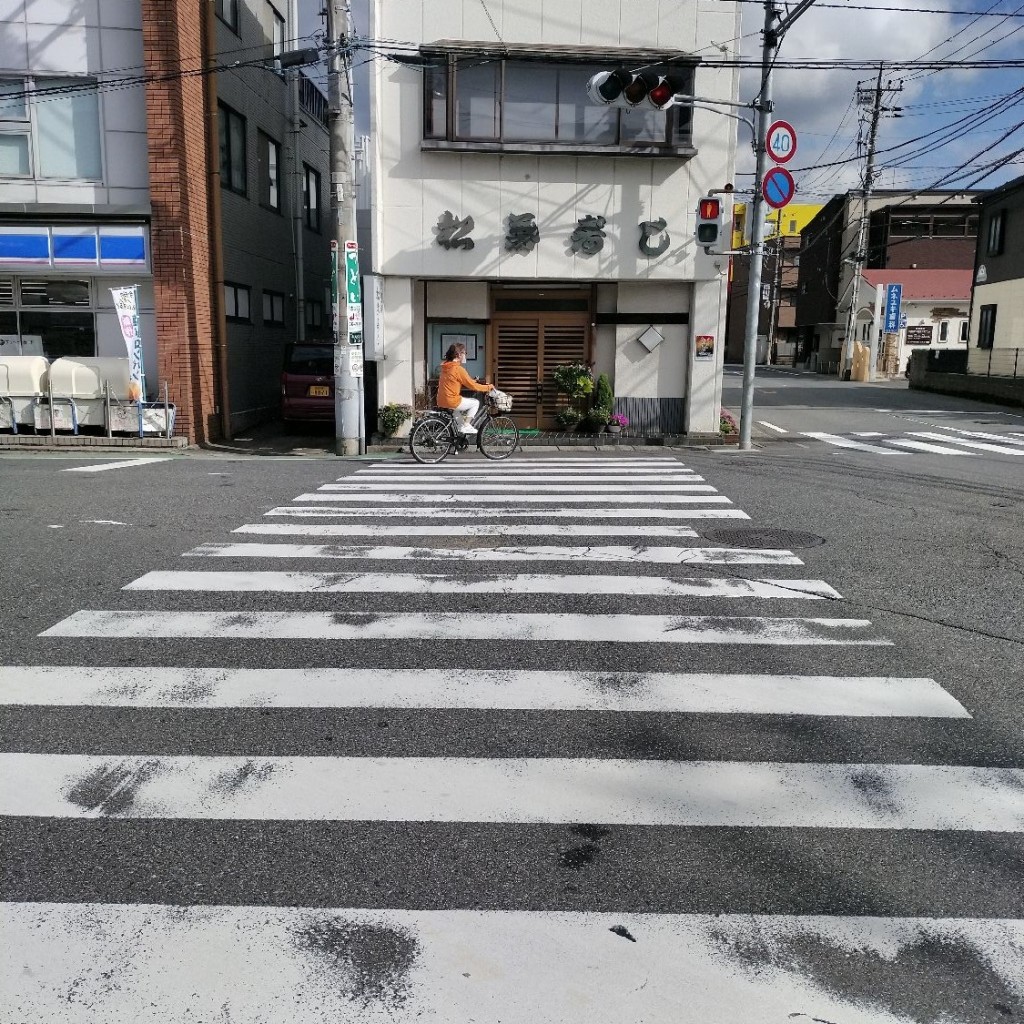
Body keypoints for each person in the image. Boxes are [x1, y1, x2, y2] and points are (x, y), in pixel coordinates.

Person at [436, 343, 493, 434]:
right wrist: (488, 387)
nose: (465, 355)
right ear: (458, 355)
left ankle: (459, 434)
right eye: (465, 353)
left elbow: (465, 381)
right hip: (452, 400)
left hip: (441, 400)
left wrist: (473, 381)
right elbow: (472, 386)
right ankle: (466, 425)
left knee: (458, 418)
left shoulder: (446, 367)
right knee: (475, 403)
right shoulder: (458, 369)